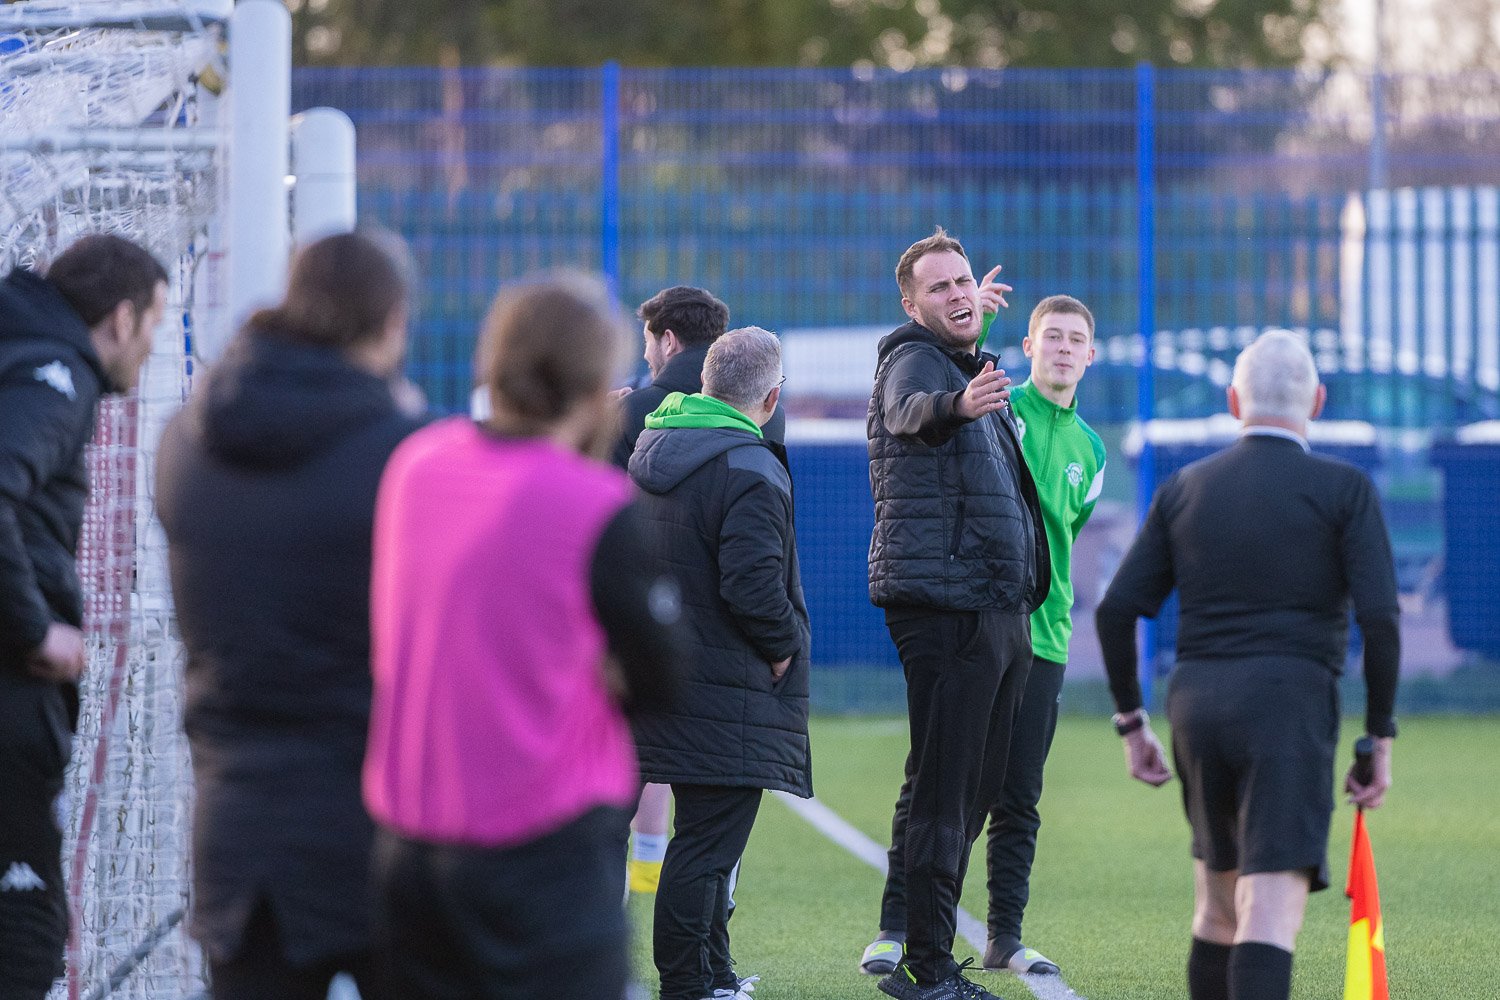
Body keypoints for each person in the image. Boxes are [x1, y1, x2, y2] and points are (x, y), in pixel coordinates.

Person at [364, 273, 683, 1000]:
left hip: (411, 842)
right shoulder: (595, 503)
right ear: (595, 381)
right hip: (544, 851)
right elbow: (664, 677)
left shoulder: (416, 465)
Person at [153, 231, 425, 1000]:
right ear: (391, 321)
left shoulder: (185, 439)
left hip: (236, 826)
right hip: (380, 823)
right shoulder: (402, 452)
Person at [1094, 330, 1400, 1000]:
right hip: (1289, 705)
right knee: (1268, 912)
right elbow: (1380, 620)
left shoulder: (1185, 487)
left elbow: (1116, 612)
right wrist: (1377, 735)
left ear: (1234, 400)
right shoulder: (1344, 490)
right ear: (1316, 401)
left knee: (1218, 906)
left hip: (1197, 704)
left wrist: (1132, 724)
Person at [860, 294, 1105, 979]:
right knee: (933, 780)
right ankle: (895, 926)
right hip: (979, 622)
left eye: (1074, 338)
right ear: (1028, 346)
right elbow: (958, 384)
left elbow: (1060, 534)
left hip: (1042, 633)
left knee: (1015, 793)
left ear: (1091, 355)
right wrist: (978, 318)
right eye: (1050, 335)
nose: (1061, 347)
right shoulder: (1001, 405)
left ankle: (1005, 935)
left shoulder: (1092, 449)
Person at [864, 227, 1050, 1000]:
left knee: (969, 792)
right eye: (939, 287)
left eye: (964, 281)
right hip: (950, 609)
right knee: (947, 794)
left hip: (995, 607)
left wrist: (969, 363)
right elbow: (911, 411)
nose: (959, 293)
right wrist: (956, 400)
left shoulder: (960, 360)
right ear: (911, 305)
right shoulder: (911, 359)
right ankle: (927, 967)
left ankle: (919, 944)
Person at [0, 234, 167, 1000]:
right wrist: (32, 629)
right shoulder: (56, 378)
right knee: (26, 932)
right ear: (123, 318)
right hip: (10, 700)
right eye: (157, 327)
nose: (153, 349)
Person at [627, 326, 811, 1000]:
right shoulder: (750, 465)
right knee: (707, 847)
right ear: (772, 395)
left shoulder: (653, 444)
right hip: (728, 681)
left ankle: (714, 975)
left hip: (662, 673)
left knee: (701, 845)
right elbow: (754, 585)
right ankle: (690, 984)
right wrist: (784, 644)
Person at [612, 286, 784, 897]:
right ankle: (708, 966)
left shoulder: (629, 415)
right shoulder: (764, 414)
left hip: (629, 625)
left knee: (615, 785)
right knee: (713, 824)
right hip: (725, 640)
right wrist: (781, 638)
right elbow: (764, 540)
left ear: (665, 338)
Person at [611, 284, 784, 468]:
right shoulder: (769, 413)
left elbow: (605, 490)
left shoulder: (630, 412)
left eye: (648, 341)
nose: (645, 354)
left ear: (669, 341)